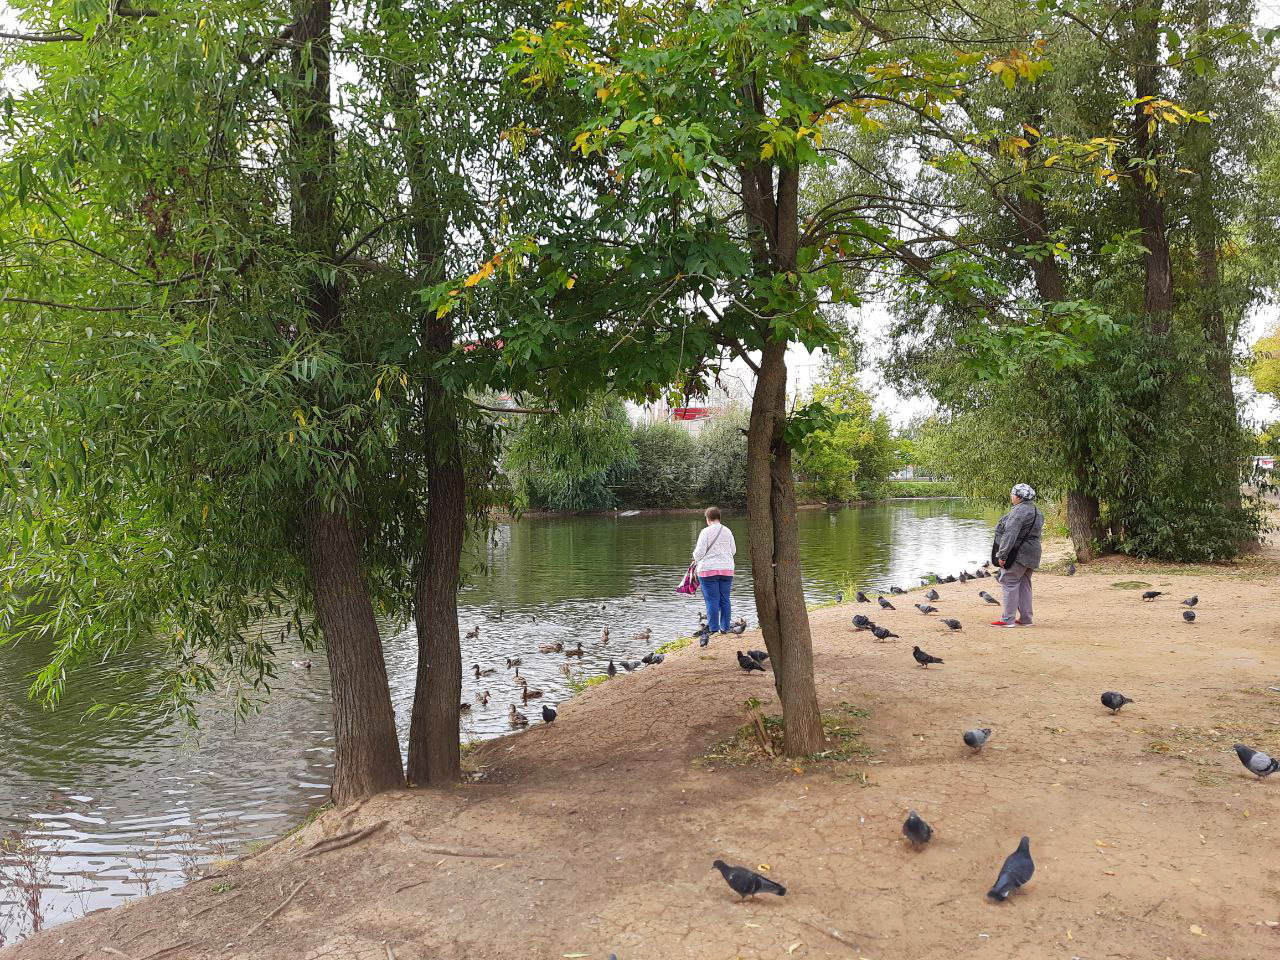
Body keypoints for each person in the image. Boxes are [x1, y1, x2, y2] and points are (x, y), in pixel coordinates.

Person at [991, 483, 1043, 627]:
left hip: (1019, 553)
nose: (1011, 497)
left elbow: (1010, 534)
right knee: (1025, 584)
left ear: (1019, 497)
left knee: (1009, 582)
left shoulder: (1019, 511)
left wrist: (1002, 555)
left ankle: (1008, 620)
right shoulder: (1037, 511)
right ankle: (1026, 619)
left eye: (1013, 494)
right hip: (1034, 552)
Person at [692, 506, 737, 634]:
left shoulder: (705, 532)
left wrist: (695, 557)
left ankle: (713, 629)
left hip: (708, 570)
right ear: (719, 518)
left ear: (708, 519)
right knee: (725, 599)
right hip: (726, 569)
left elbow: (699, 553)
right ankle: (725, 628)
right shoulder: (728, 531)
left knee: (712, 599)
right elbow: (733, 550)